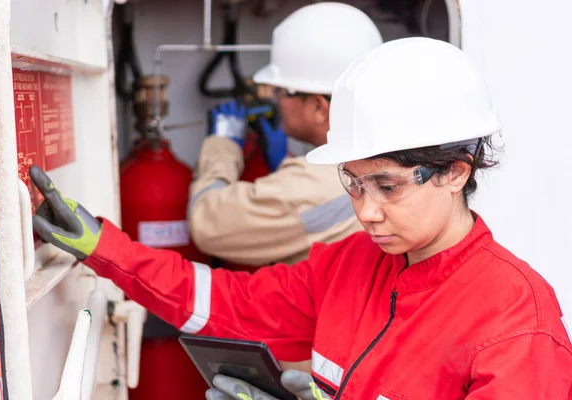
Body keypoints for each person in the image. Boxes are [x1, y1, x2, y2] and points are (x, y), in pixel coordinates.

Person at [31, 37, 572, 400]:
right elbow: (229, 304)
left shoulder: (516, 324)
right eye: (353, 183)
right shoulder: (349, 265)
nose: (365, 211)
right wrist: (106, 249)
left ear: (456, 173)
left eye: (387, 187)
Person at [187, 2, 383, 269]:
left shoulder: (308, 185)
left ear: (317, 107)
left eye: (281, 92)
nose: (276, 100)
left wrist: (222, 145)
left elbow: (207, 223)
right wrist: (284, 162)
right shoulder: (394, 157)